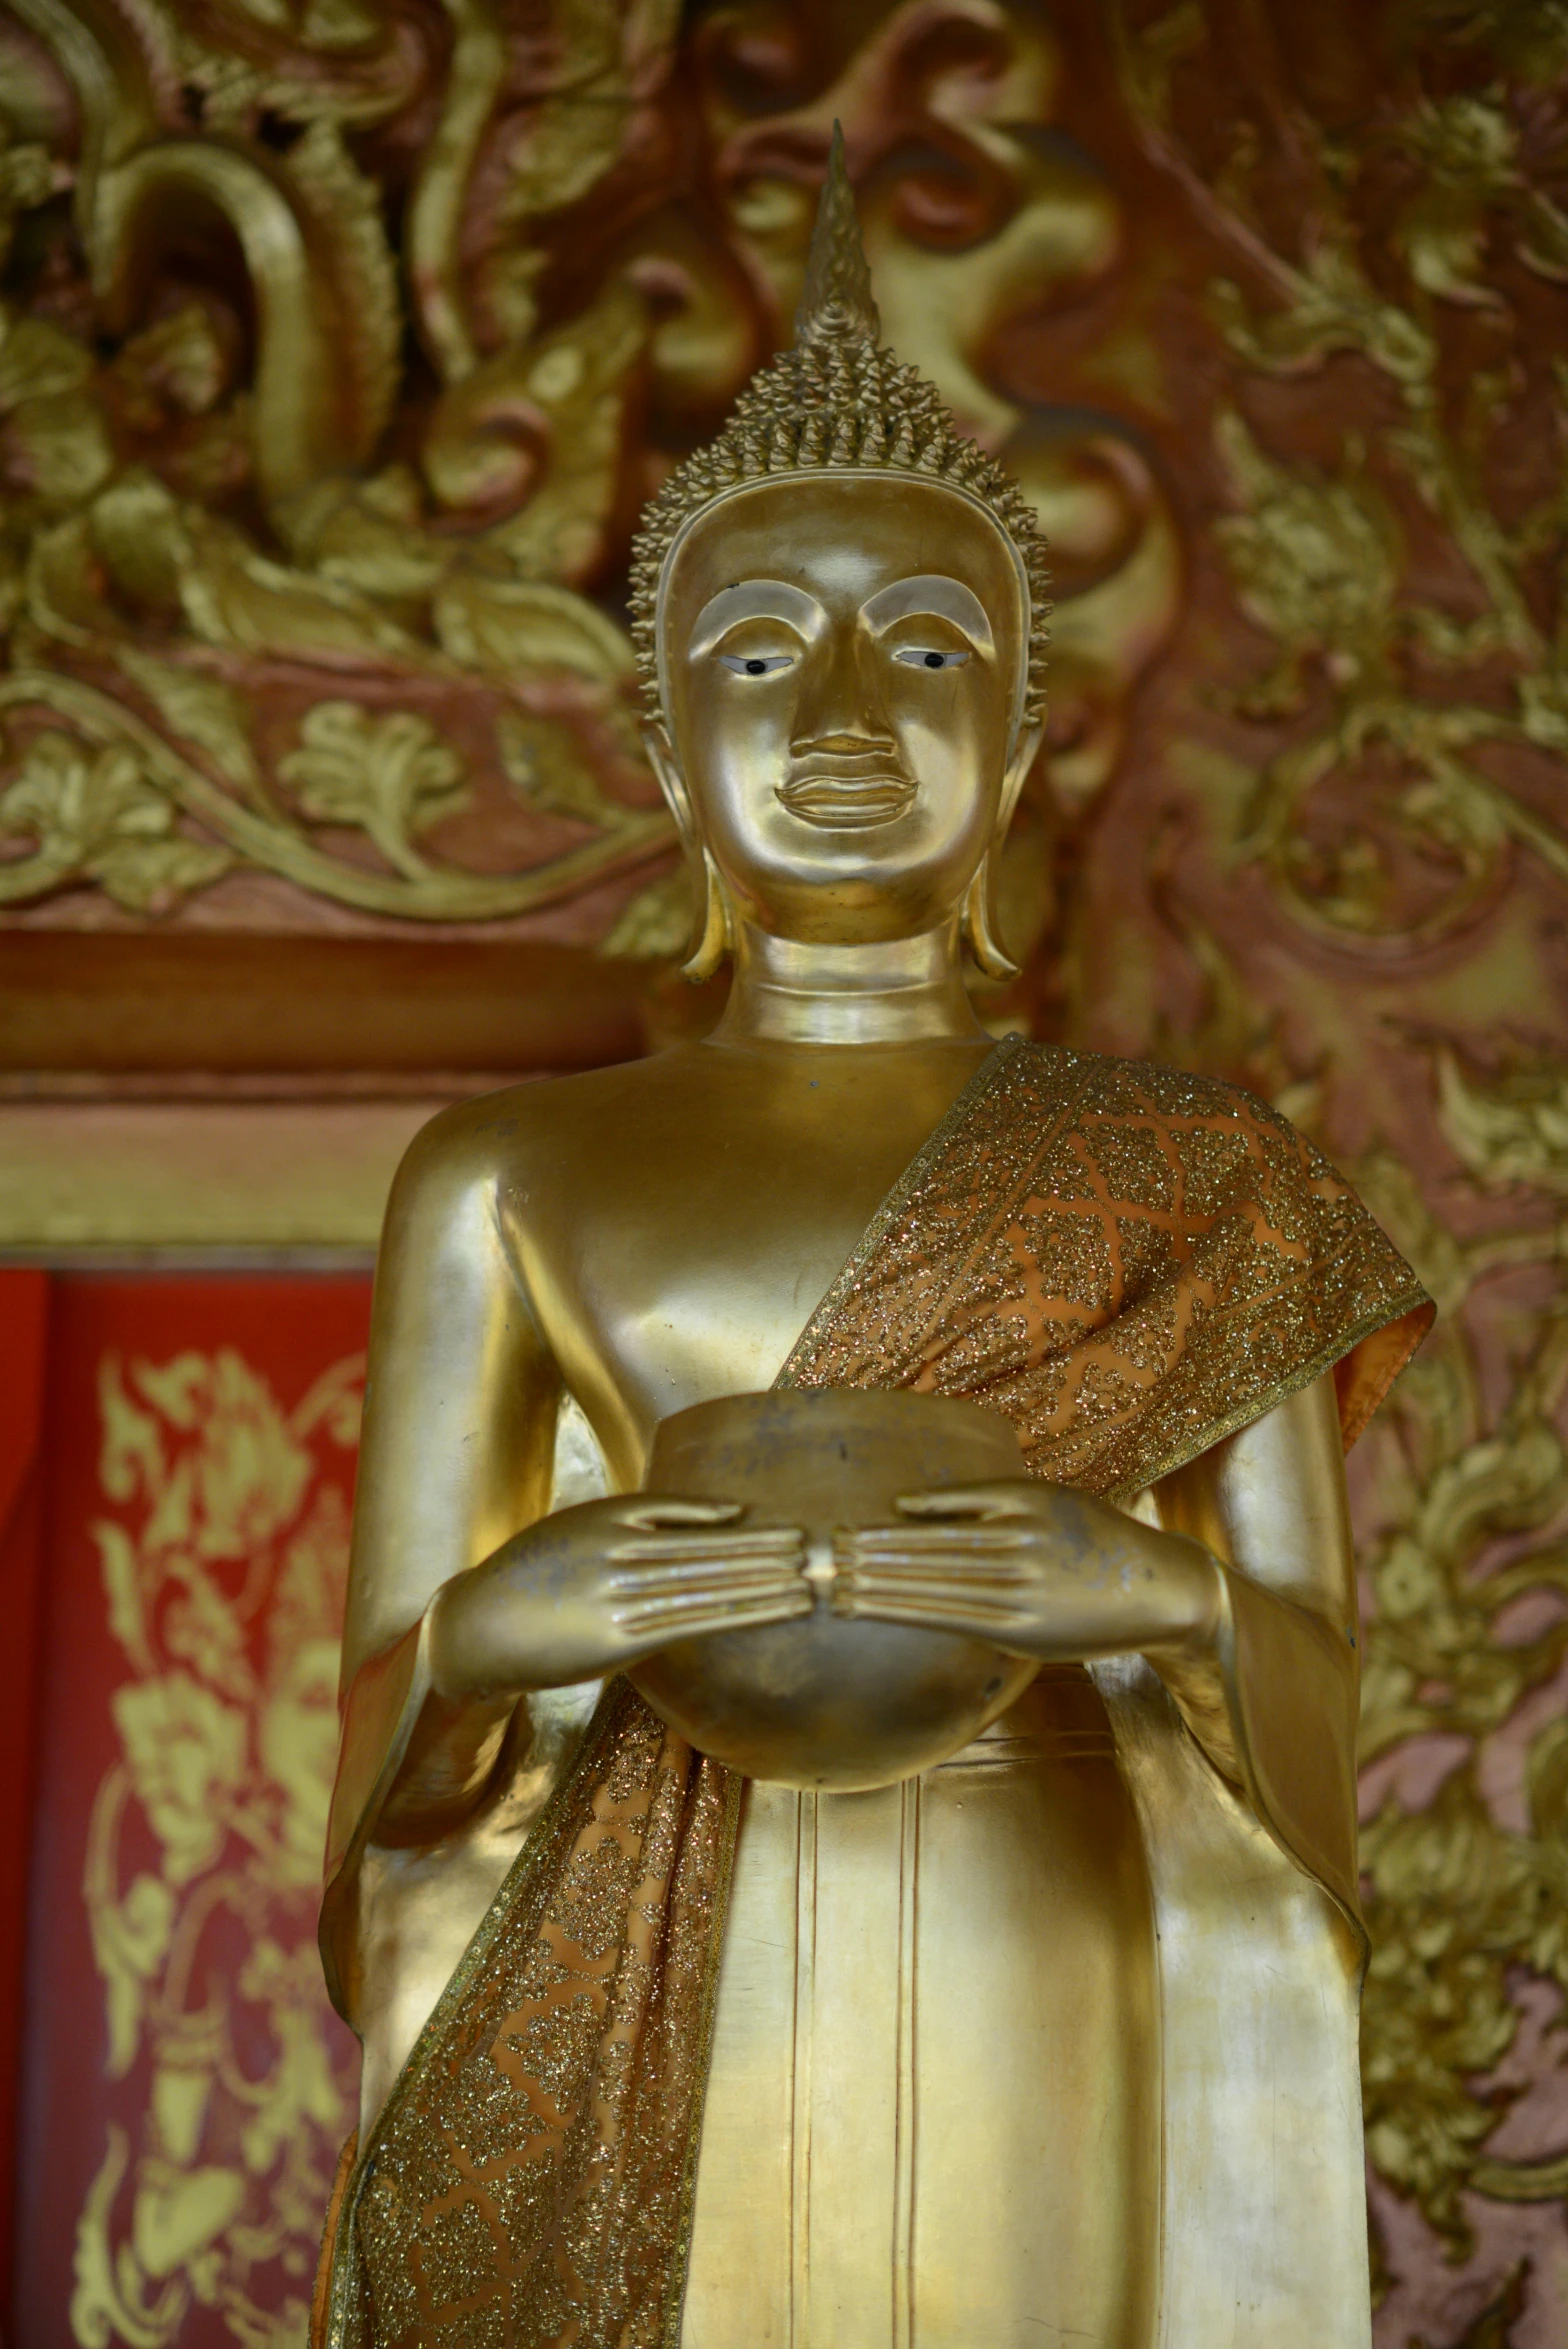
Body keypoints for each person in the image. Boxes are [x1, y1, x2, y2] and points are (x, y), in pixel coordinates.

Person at [313, 137, 1431, 2349]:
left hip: (1036, 1903)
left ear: (1015, 744)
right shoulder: (504, 1172)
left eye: (922, 651)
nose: (840, 722)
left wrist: (1158, 1595)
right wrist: (486, 1629)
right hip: (647, 1918)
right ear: (664, 742)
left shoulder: (1193, 1164)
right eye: (760, 654)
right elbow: (390, 1701)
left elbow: (1309, 1677)